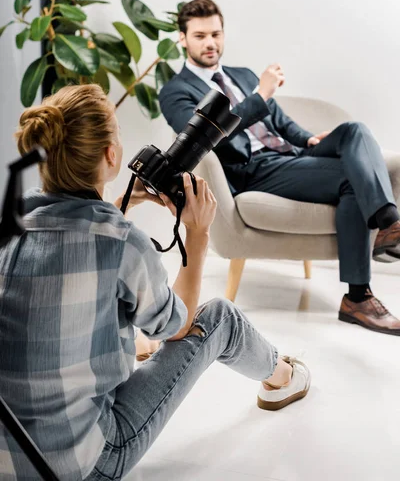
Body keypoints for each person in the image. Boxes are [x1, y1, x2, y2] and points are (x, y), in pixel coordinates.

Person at [0, 85, 310, 481]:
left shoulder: (12, 223)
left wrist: (126, 203)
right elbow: (177, 326)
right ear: (112, 155)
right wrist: (198, 236)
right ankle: (283, 377)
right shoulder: (120, 242)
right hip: (86, 465)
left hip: (9, 458)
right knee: (218, 317)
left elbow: (70, 235)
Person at [159, 0, 400, 337]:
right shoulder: (175, 90)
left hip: (291, 155)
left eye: (215, 33)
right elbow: (202, 138)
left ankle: (388, 223)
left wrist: (308, 141)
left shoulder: (240, 75)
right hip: (254, 169)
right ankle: (359, 295)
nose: (210, 43)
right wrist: (259, 95)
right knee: (350, 180)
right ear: (182, 38)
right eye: (199, 36)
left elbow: (280, 121)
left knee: (355, 131)